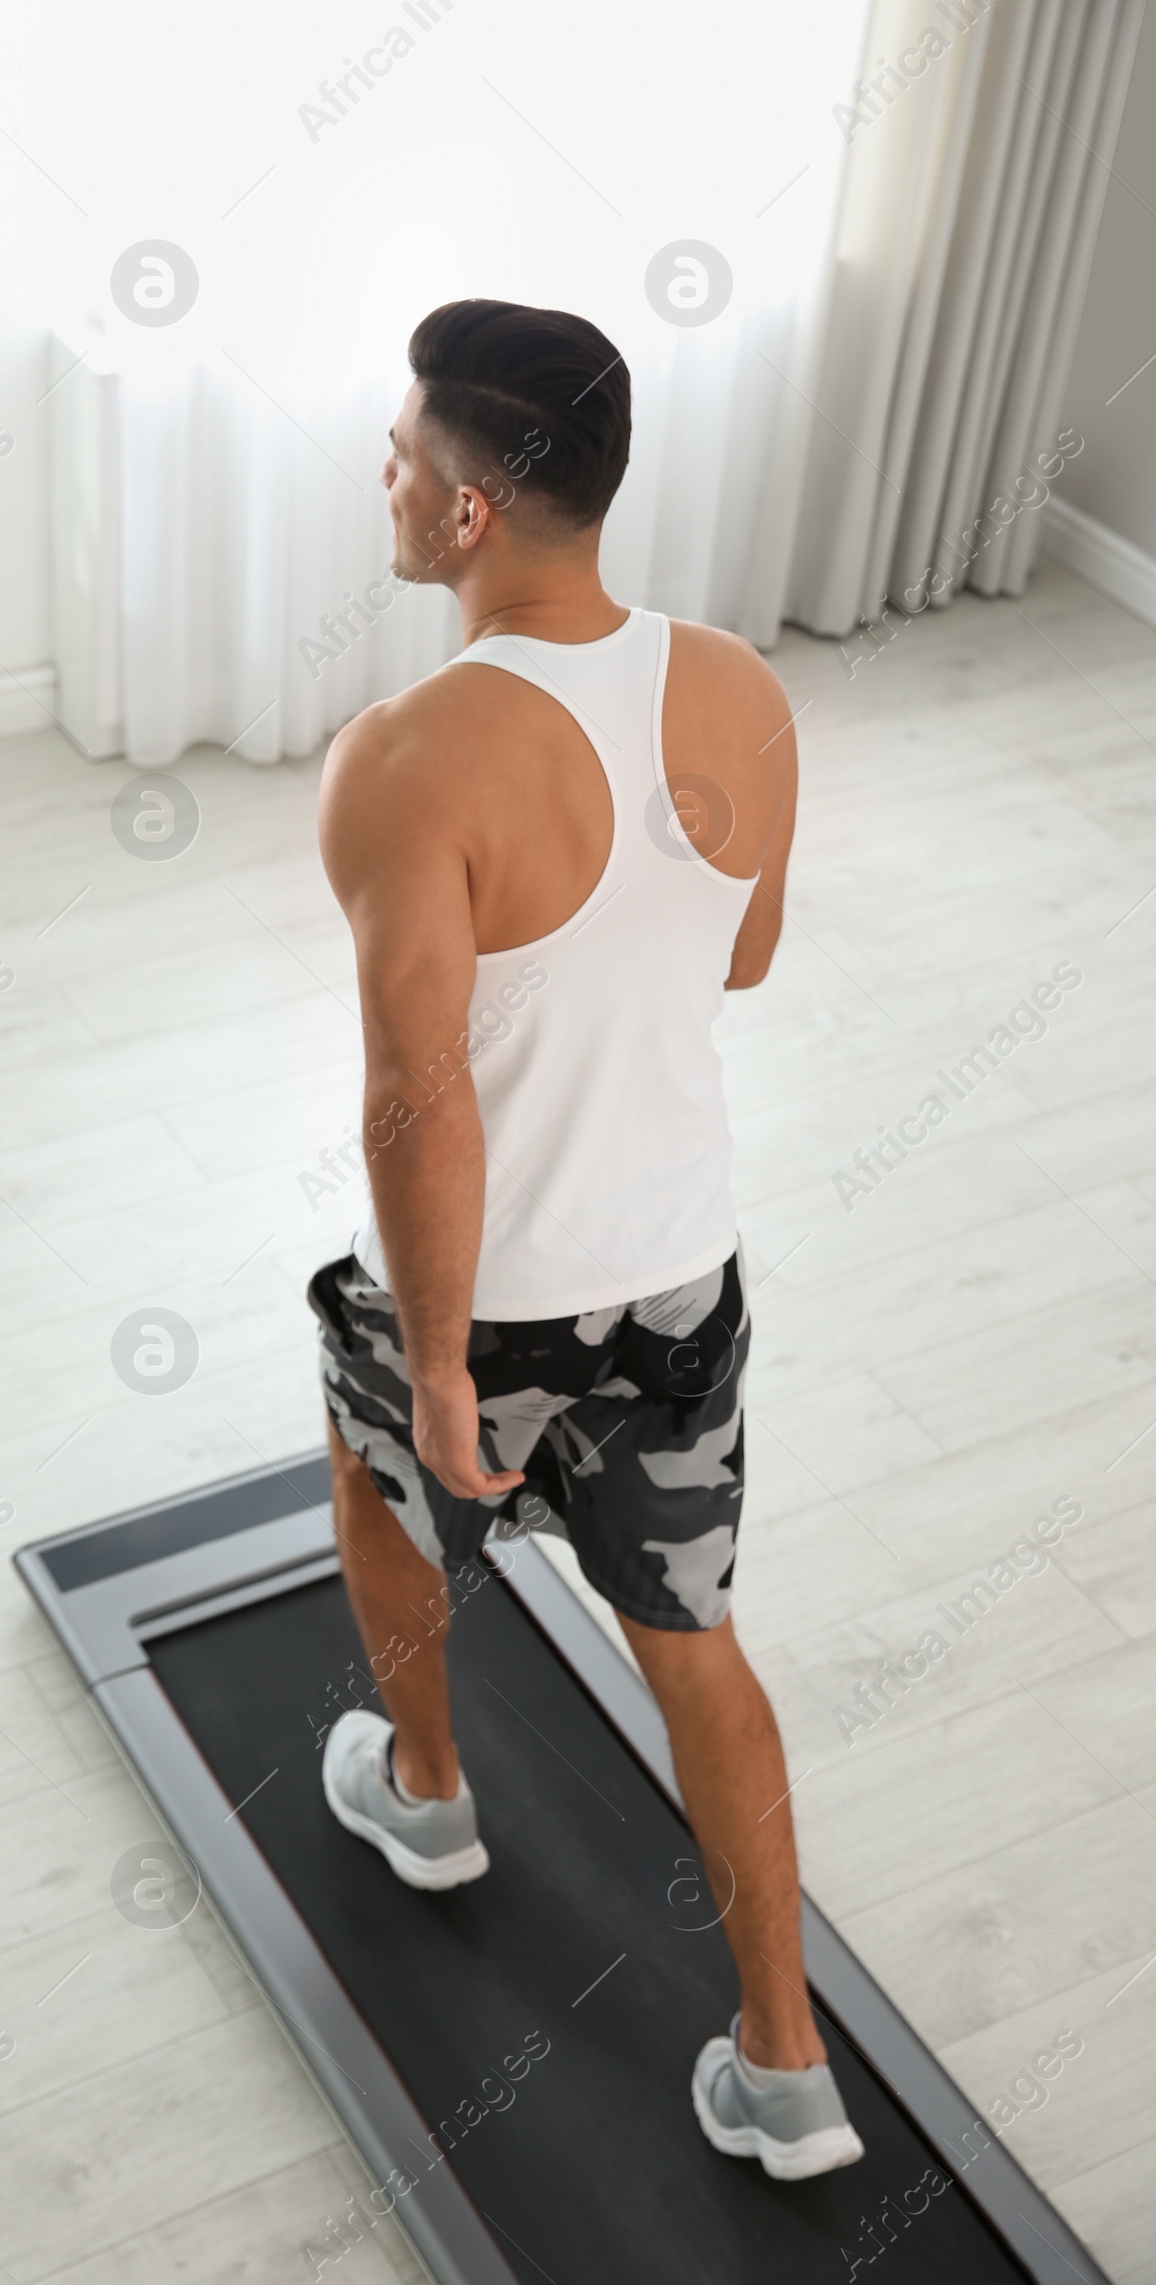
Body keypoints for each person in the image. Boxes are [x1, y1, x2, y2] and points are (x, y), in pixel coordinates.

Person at [306, 298, 863, 2183]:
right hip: (682, 1271)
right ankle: (787, 2068)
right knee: (690, 1639)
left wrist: (445, 1357)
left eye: (398, 452)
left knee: (378, 1487)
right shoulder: (739, 692)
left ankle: (437, 1798)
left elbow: (418, 1093)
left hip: (501, 1294)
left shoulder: (405, 754)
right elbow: (751, 949)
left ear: (466, 512)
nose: (381, 473)